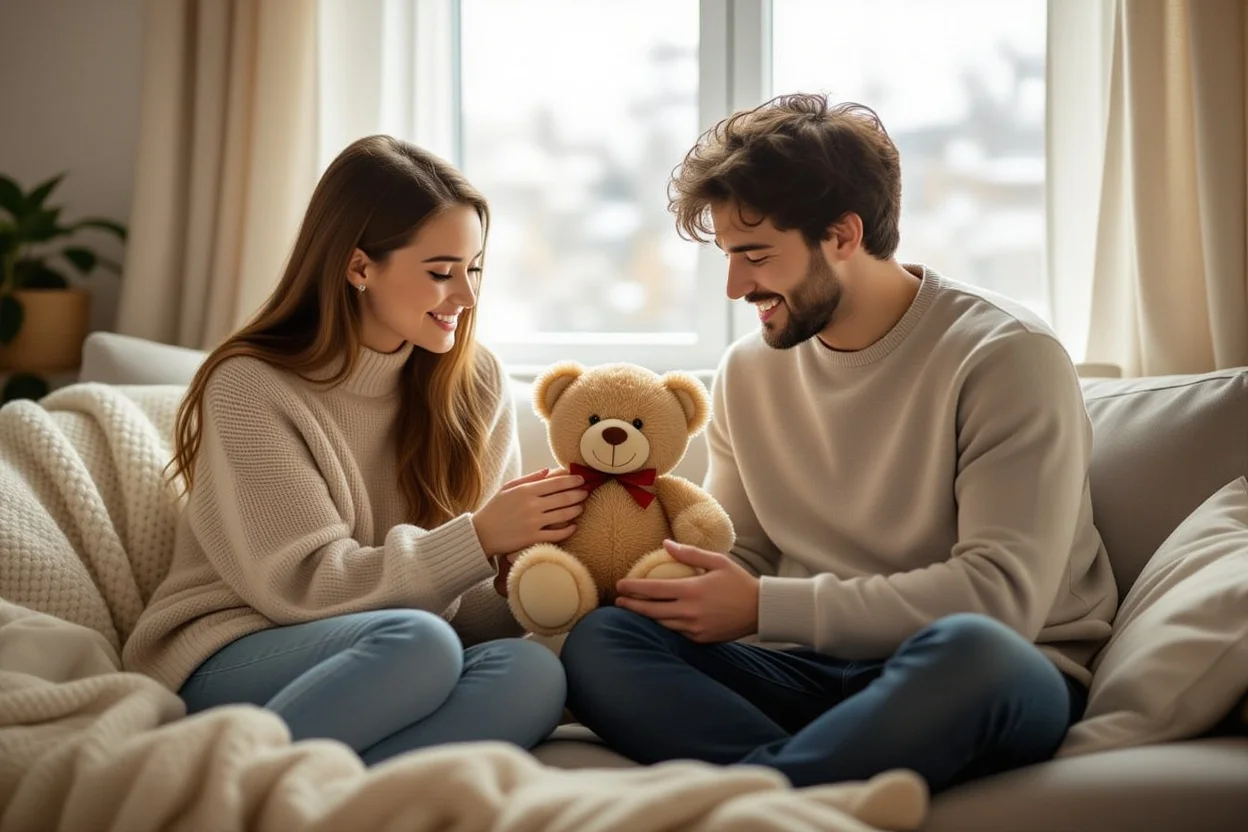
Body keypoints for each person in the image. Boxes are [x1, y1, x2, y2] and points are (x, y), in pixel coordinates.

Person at [559, 93, 1119, 792]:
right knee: (605, 642)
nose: (736, 286)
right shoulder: (750, 371)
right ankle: (804, 788)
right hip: (810, 671)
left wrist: (766, 607)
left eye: (755, 255)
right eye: (729, 257)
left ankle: (764, 794)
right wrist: (641, 576)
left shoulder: (1005, 355)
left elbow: (1001, 597)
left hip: (980, 673)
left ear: (844, 236)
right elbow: (747, 551)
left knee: (978, 651)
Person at [122, 135, 587, 764]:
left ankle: (325, 796)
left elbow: (466, 615)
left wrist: (533, 570)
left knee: (531, 673)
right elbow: (302, 586)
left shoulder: (476, 383)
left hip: (396, 653)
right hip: (237, 647)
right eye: (441, 272)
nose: (467, 297)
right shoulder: (250, 386)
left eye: (474, 269)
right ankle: (239, 786)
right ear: (359, 266)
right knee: (418, 644)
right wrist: (476, 539)